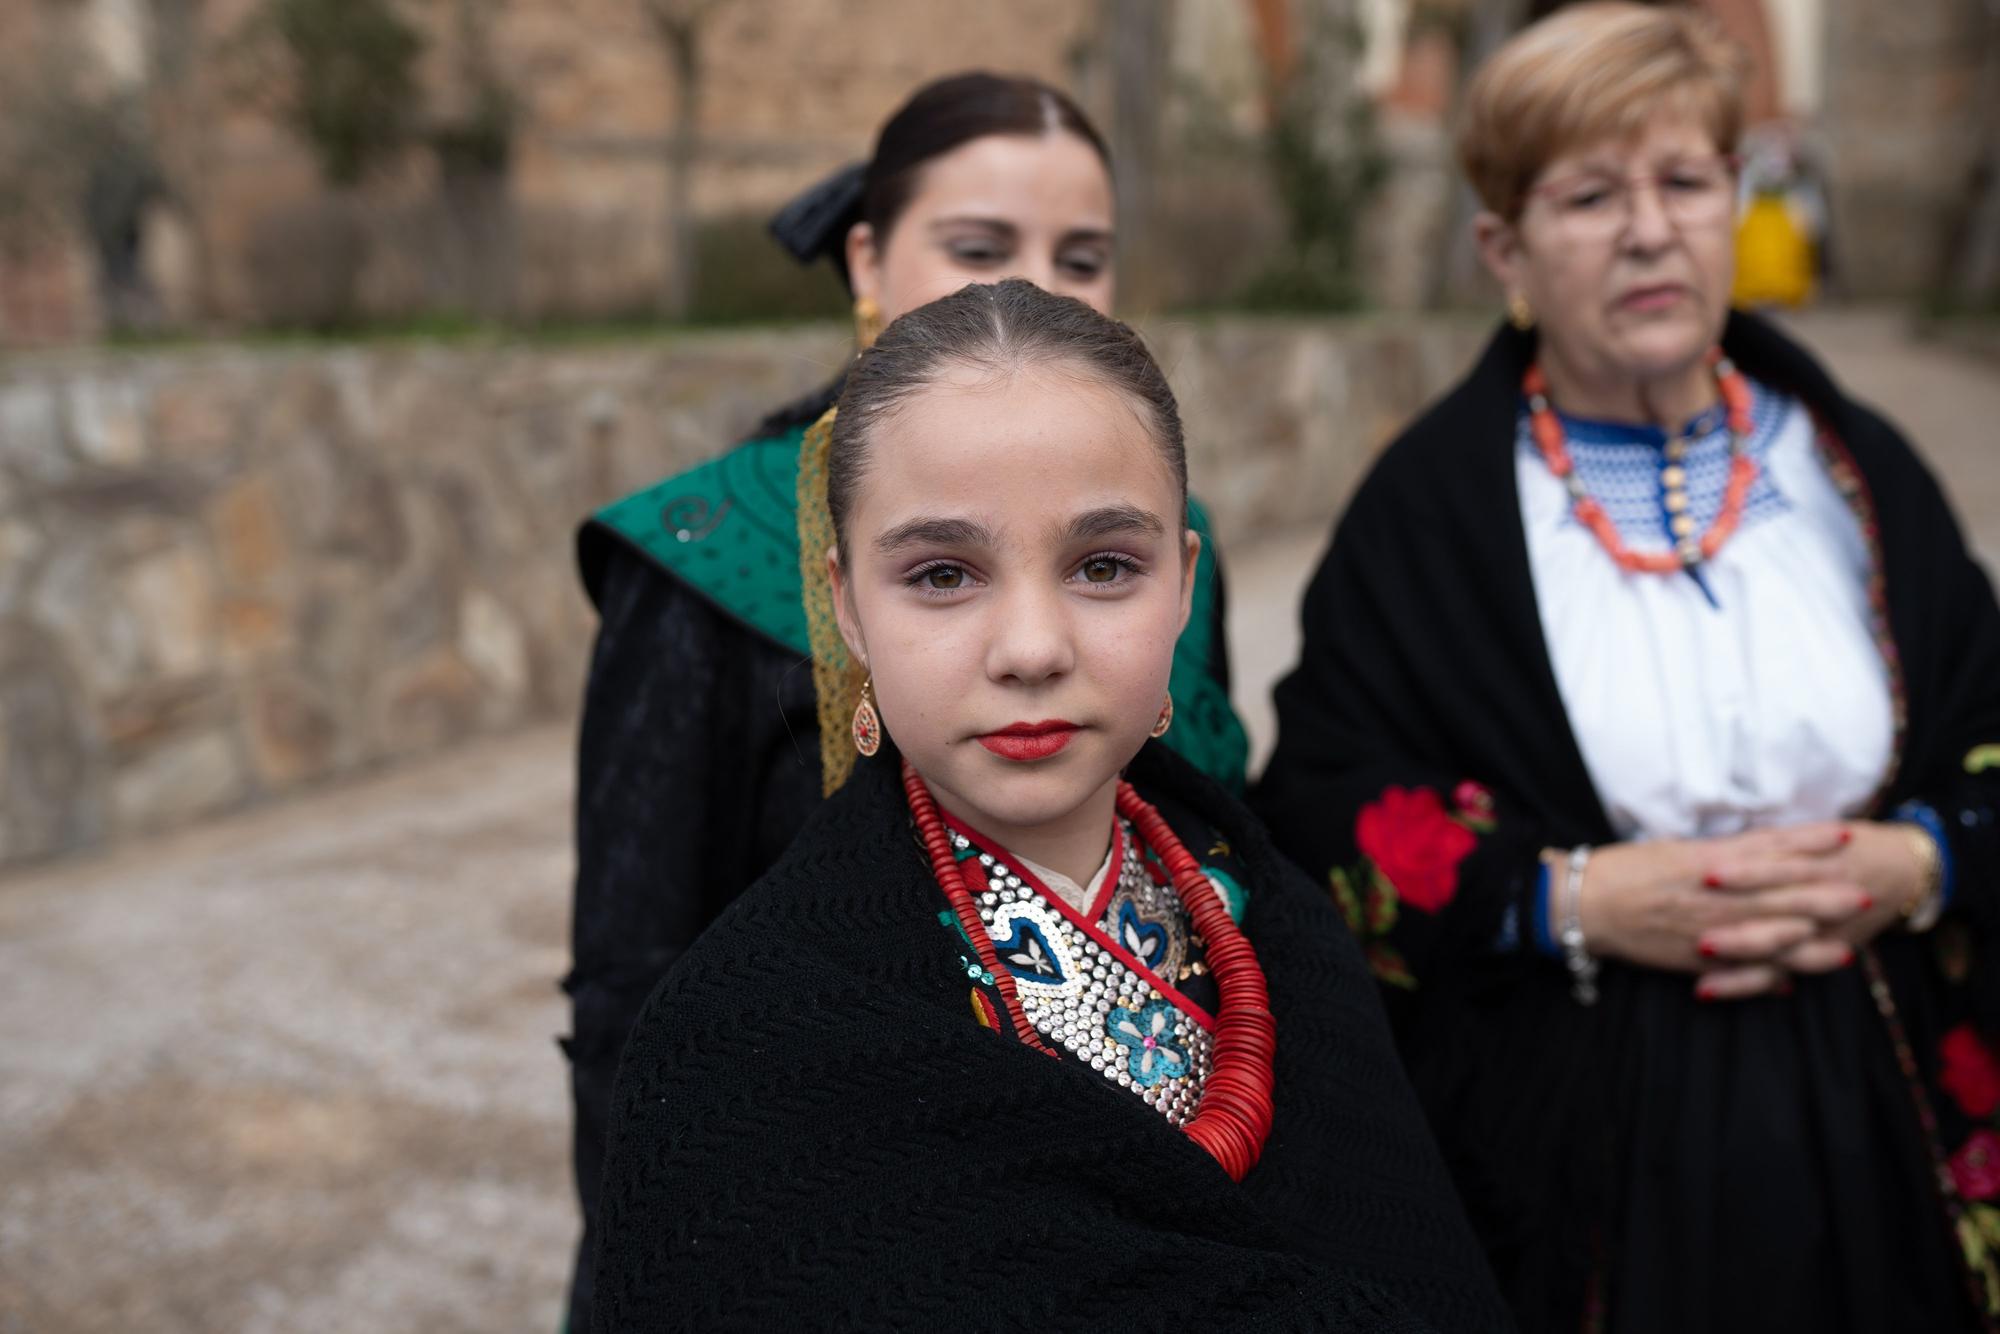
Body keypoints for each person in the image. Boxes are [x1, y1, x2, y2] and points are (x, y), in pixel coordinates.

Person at [1253, 5, 2000, 1331]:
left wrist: (1924, 861)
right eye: (1591, 194)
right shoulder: (1428, 514)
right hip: (1582, 1133)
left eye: (1686, 182)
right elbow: (1320, 802)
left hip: (1883, 1100)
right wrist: (1568, 900)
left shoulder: (1855, 468)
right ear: (1506, 247)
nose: (1650, 229)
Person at [584, 278, 1512, 1332]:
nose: (1031, 647)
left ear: (1184, 584)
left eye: (1103, 566)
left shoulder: (1288, 934)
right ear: (843, 602)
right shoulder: (742, 1044)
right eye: (941, 575)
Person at [562, 73, 1247, 1331]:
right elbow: (630, 980)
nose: (1034, 285)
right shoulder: (707, 554)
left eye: (1080, 254)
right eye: (978, 245)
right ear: (869, 257)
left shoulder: (1167, 540)